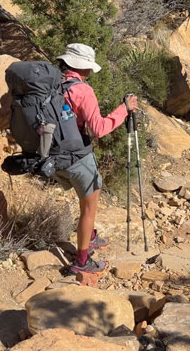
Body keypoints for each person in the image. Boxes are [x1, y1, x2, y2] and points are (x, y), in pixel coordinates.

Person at [55, 43, 138, 276]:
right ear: (84, 68)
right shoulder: (83, 91)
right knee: (89, 207)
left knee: (85, 199)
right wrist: (123, 109)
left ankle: (90, 235)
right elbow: (99, 128)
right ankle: (82, 261)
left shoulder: (54, 84)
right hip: (77, 156)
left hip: (53, 155)